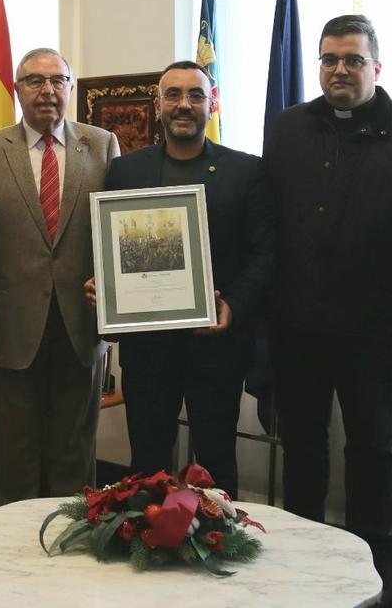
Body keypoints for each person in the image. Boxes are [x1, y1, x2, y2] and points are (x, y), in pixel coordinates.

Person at [262, 14, 392, 603]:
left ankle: (369, 563)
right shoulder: (288, 128)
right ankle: (303, 553)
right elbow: (270, 224)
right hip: (296, 324)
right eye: (330, 59)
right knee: (303, 446)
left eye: (353, 60)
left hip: (373, 328)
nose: (340, 69)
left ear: (376, 67)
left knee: (371, 450)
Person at [86, 61, 275, 496]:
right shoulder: (126, 172)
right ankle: (143, 549)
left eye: (195, 95)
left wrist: (234, 305)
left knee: (216, 466)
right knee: (145, 466)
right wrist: (102, 284)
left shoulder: (246, 171)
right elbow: (110, 247)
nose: (183, 105)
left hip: (216, 349)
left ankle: (220, 551)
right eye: (173, 95)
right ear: (158, 105)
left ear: (212, 103)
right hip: (148, 352)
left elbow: (265, 253)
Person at [0, 48, 119, 507]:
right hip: (6, 325)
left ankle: (70, 545)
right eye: (34, 81)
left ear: (70, 87)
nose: (47, 91)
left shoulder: (102, 146)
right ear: (17, 89)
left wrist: (118, 303)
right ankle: (8, 552)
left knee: (74, 447)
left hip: (79, 324)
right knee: (8, 452)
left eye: (57, 81)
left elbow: (115, 233)